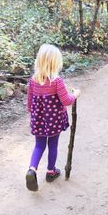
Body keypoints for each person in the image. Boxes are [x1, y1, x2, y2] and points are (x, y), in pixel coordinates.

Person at [26, 44, 81, 191]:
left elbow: (30, 102)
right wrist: (75, 94)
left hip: (38, 120)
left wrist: (34, 115)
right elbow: (66, 101)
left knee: (39, 145)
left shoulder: (33, 80)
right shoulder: (56, 81)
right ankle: (51, 171)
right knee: (53, 145)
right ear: (56, 63)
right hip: (54, 120)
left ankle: (32, 169)